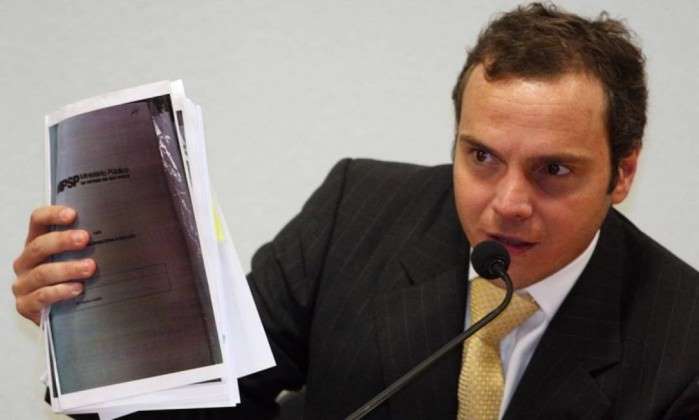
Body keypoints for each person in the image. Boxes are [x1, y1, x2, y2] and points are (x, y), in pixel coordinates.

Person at [11, 3, 699, 419]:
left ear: (622, 173)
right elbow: (214, 403)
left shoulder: (682, 347)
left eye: (553, 170)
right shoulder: (357, 214)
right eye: (482, 157)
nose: (507, 204)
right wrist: (93, 336)